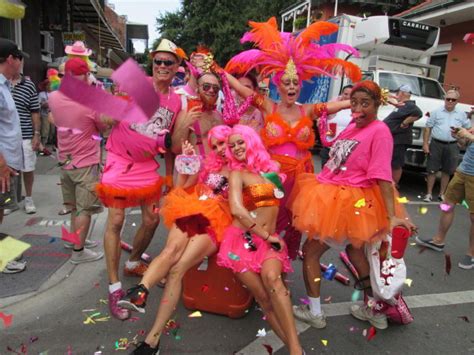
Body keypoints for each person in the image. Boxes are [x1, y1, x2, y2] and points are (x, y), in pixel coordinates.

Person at [223, 17, 361, 259]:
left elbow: (333, 106)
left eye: (295, 83)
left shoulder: (307, 110)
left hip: (300, 177)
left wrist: (363, 100)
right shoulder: (269, 106)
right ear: (278, 84)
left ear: (299, 87)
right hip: (270, 175)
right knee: (263, 219)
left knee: (294, 225)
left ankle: (281, 266)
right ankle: (256, 262)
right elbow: (242, 90)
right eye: (286, 82)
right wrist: (217, 71)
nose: (291, 86)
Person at [287, 81, 416, 330]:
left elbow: (382, 176)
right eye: (354, 102)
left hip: (349, 204)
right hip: (334, 196)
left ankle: (314, 312)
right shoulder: (354, 126)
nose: (357, 108)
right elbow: (336, 156)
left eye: (365, 103)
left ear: (378, 105)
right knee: (356, 252)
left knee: (312, 253)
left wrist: (393, 215)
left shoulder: (379, 132)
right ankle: (374, 309)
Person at [119, 126, 233, 354]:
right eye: (216, 145)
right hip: (194, 210)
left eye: (225, 143)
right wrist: (188, 162)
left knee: (177, 269)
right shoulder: (210, 166)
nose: (221, 149)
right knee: (170, 250)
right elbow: (182, 188)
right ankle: (140, 291)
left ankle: (152, 340)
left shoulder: (246, 171)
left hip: (217, 222)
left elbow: (258, 204)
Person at [99, 39, 184, 320]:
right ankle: (114, 288)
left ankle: (134, 261)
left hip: (148, 165)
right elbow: (105, 118)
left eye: (167, 63)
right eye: (157, 61)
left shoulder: (176, 100)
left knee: (151, 220)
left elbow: (172, 144)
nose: (161, 66)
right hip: (120, 161)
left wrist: (170, 178)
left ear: (176, 68)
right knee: (116, 221)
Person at [215, 124, 302, 355]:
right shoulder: (237, 174)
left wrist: (284, 234)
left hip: (269, 240)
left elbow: (278, 208)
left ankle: (295, 349)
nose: (236, 148)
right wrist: (266, 235)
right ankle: (294, 348)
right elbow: (237, 209)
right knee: (264, 299)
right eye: (232, 145)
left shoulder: (272, 171)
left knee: (274, 281)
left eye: (240, 142)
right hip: (244, 241)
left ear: (251, 141)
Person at [48, 58, 105, 264]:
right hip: (86, 163)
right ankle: (78, 252)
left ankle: (73, 240)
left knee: (73, 206)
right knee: (84, 210)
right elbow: (103, 127)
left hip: (65, 160)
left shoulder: (54, 97)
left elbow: (53, 118)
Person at [416, 126, 474, 269]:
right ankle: (438, 240)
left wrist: (470, 136)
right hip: (463, 171)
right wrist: (460, 137)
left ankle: (471, 254)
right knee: (447, 205)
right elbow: (465, 145)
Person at [423, 89, 471, 202]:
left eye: (453, 99)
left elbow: (468, 128)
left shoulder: (461, 114)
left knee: (447, 170)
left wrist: (461, 140)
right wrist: (425, 144)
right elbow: (427, 128)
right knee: (431, 169)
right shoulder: (436, 112)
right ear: (444, 99)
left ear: (456, 101)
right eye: (447, 99)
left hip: (453, 145)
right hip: (436, 143)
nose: (449, 101)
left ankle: (442, 194)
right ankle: (429, 194)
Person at [9, 68, 41, 215]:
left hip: (25, 134)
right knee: (8, 170)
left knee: (27, 168)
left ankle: (28, 198)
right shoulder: (2, 84)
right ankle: (10, 200)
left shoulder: (28, 85)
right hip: (6, 137)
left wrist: (36, 134)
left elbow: (35, 111)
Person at [0, 39, 24, 224]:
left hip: (8, 163)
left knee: (2, 207)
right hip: (2, 164)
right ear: (10, 59)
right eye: (19, 58)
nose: (20, 63)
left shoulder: (6, 86)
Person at [171, 71, 223, 156]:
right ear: (197, 89)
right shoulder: (188, 113)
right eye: (206, 87)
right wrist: (186, 124)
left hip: (217, 167)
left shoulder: (219, 116)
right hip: (196, 167)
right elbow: (175, 149)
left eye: (215, 88)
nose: (211, 90)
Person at [383, 84, 422, 185]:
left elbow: (418, 112)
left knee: (396, 164)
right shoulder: (401, 105)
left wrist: (405, 122)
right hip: (393, 139)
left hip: (399, 140)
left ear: (402, 93)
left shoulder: (409, 105)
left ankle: (394, 185)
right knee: (390, 162)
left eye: (398, 92)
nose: (396, 94)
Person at [320, 84, 354, 168]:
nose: (348, 97)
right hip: (329, 148)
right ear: (341, 94)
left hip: (346, 150)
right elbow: (324, 127)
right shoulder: (333, 108)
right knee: (324, 177)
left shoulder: (356, 111)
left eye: (351, 95)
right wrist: (327, 132)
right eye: (345, 94)